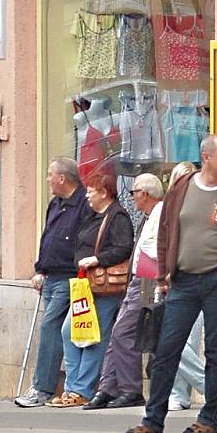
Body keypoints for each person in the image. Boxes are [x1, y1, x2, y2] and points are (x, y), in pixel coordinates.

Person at [122, 134, 217, 433]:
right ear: (206, 157)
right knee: (166, 350)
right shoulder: (182, 187)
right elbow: (166, 230)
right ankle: (152, 421)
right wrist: (163, 275)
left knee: (215, 353)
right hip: (182, 281)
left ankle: (209, 418)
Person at [48, 173, 134, 408]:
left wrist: (97, 259)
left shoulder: (117, 216)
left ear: (104, 193)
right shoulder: (93, 215)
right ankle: (72, 387)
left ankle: (82, 389)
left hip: (103, 287)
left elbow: (124, 248)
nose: (86, 195)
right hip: (86, 284)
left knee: (94, 336)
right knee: (70, 331)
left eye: (91, 191)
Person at [83, 173, 164, 410]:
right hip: (140, 279)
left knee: (123, 332)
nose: (133, 198)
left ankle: (130, 389)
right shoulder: (148, 216)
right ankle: (108, 387)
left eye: (135, 192)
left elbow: (155, 250)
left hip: (148, 279)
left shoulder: (159, 214)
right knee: (118, 334)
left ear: (145, 194)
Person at [16, 157, 91, 408]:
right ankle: (61, 386)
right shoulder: (55, 203)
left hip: (69, 276)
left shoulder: (83, 204)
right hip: (51, 275)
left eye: (50, 174)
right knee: (59, 331)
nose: (47, 179)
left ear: (62, 178)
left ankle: (42, 387)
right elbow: (48, 237)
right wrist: (40, 269)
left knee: (51, 328)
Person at [166, 161, 206, 412]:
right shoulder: (168, 210)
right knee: (172, 340)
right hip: (175, 280)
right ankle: (182, 392)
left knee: (188, 341)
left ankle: (189, 390)